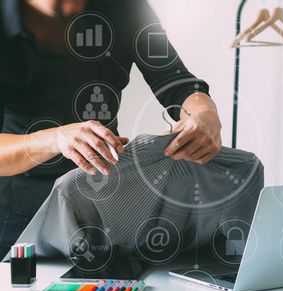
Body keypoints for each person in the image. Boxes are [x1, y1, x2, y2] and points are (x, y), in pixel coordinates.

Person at [0, 0, 222, 257]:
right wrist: (57, 139)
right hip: (16, 216)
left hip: (104, 203)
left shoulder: (125, 8)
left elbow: (178, 83)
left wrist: (205, 114)